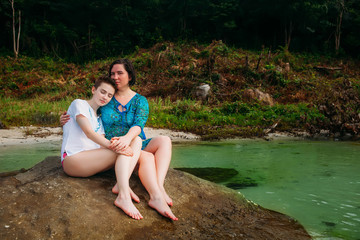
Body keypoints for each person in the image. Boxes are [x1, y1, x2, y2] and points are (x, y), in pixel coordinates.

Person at [61, 59, 174, 208]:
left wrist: (126, 139)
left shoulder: (139, 100)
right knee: (145, 155)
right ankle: (124, 188)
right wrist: (64, 119)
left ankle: (159, 188)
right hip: (109, 146)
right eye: (112, 73)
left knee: (163, 140)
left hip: (127, 142)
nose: (115, 77)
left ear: (130, 76)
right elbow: (86, 114)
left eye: (120, 73)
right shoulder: (106, 99)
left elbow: (138, 125)